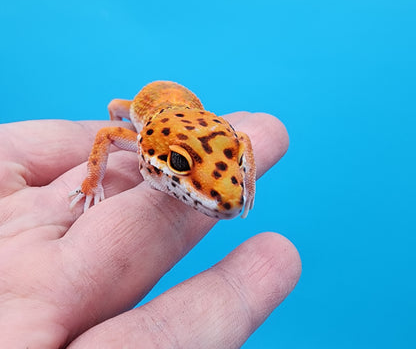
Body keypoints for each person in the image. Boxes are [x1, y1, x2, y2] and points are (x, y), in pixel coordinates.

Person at [0, 112, 301, 348]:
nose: (227, 200)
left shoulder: (233, 146)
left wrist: (248, 181)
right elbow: (107, 133)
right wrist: (91, 181)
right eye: (181, 162)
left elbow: (243, 139)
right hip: (156, 113)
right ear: (144, 145)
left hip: (183, 115)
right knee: (117, 106)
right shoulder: (140, 137)